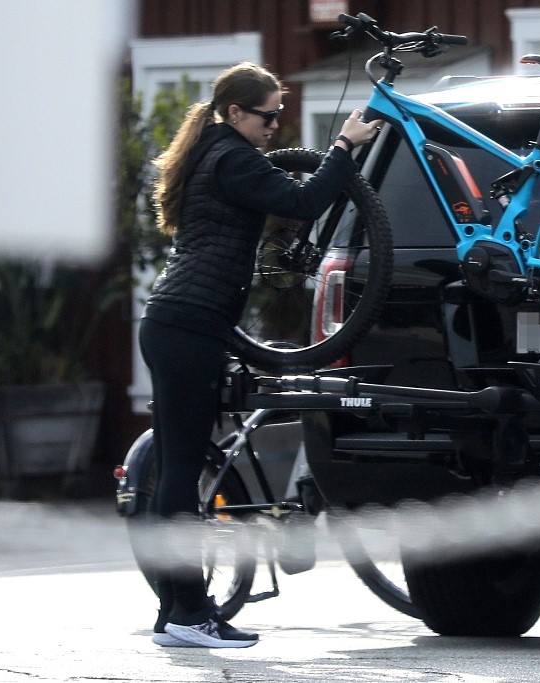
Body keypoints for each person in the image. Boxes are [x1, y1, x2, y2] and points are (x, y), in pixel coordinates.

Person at [138, 61, 381, 648]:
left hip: (175, 322)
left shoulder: (212, 152)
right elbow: (305, 201)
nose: (275, 125)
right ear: (234, 112)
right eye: (267, 116)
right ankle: (189, 615)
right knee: (178, 474)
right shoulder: (233, 158)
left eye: (280, 115)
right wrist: (344, 145)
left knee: (175, 468)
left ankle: (175, 614)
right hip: (190, 324)